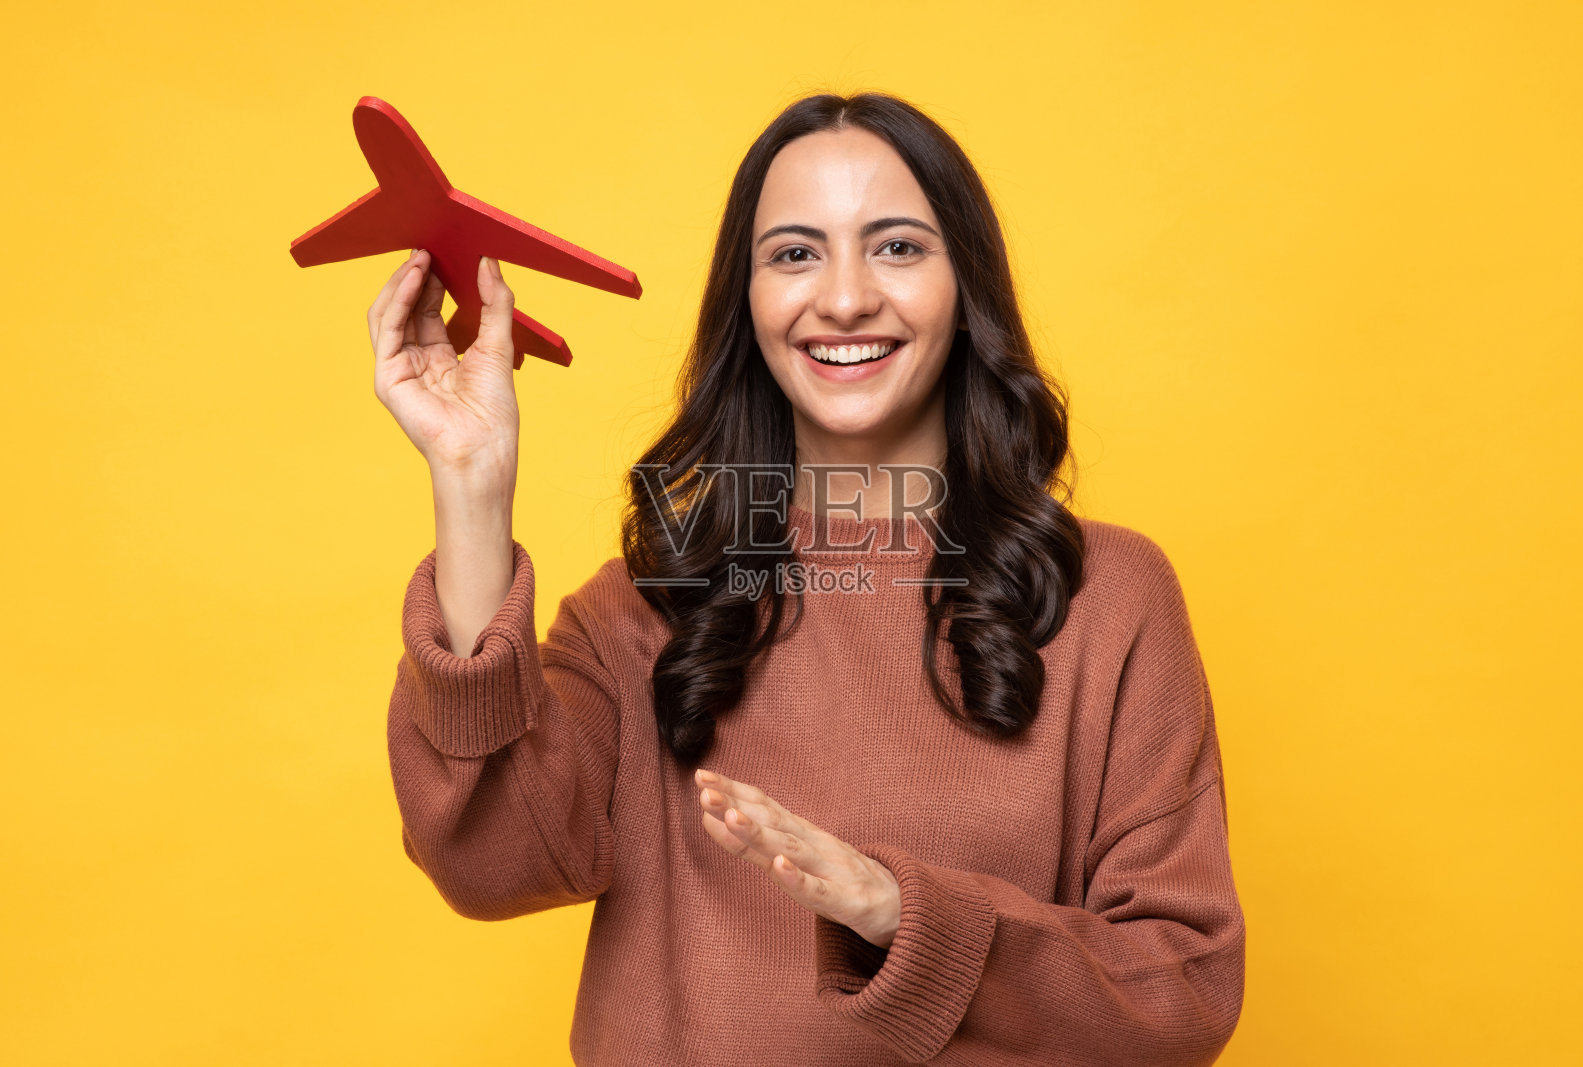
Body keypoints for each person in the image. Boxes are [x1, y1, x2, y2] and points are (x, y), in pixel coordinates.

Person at [370, 92, 1245, 1065]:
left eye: (897, 247)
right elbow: (492, 862)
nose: (842, 298)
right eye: (793, 253)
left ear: (967, 289)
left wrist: (897, 910)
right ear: (747, 303)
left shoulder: (1108, 597)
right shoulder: (643, 608)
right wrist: (469, 482)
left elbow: (1181, 990)